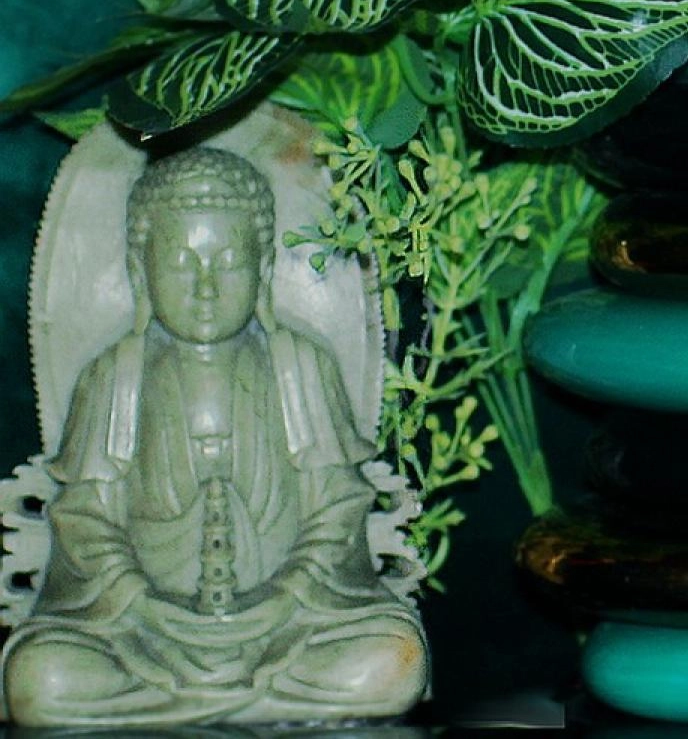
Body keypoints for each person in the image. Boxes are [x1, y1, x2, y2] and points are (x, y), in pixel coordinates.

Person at [2, 148, 427, 725]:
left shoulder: (301, 367)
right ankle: (240, 705)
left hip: (289, 625)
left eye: (228, 262)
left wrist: (285, 594)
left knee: (392, 661)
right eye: (181, 263)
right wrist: (141, 601)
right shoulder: (112, 379)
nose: (206, 286)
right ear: (140, 271)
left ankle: (182, 710)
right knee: (40, 679)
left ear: (265, 268)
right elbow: (84, 521)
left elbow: (337, 512)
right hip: (144, 634)